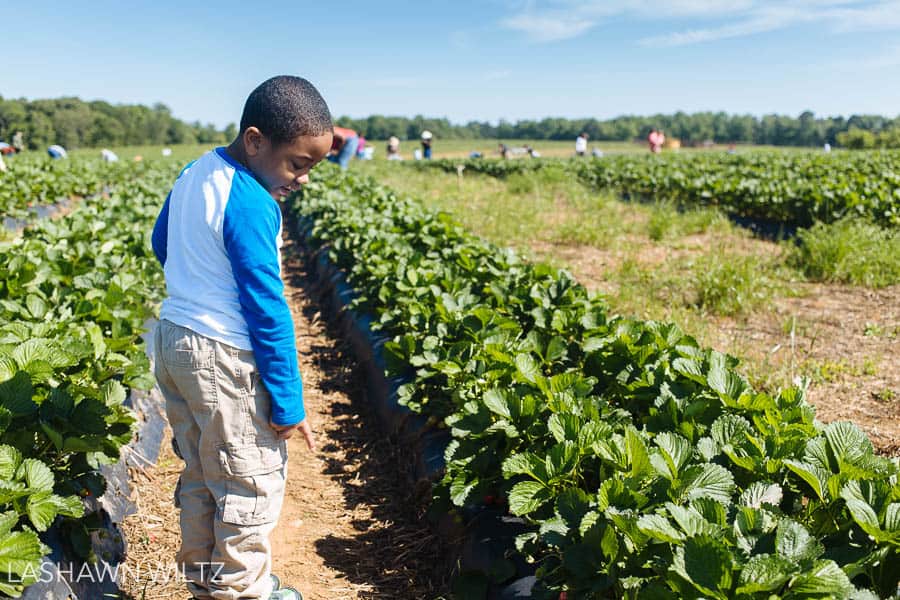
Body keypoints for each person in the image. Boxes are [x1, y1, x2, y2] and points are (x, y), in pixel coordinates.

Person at [150, 75, 332, 600]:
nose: (302, 178)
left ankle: (211, 585)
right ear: (255, 141)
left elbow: (162, 242)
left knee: (205, 471)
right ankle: (243, 591)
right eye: (297, 163)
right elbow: (267, 308)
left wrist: (196, 285)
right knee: (249, 481)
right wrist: (289, 402)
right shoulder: (252, 202)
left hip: (174, 337)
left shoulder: (194, 173)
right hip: (221, 355)